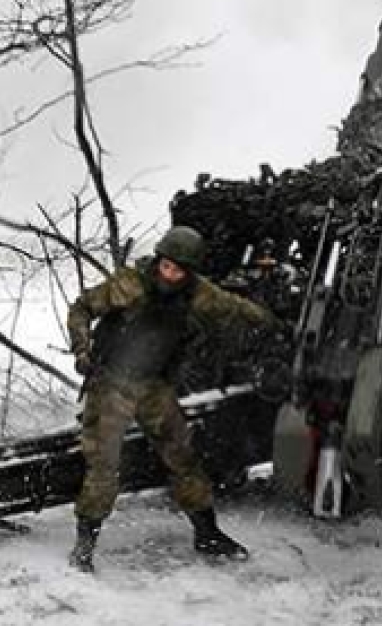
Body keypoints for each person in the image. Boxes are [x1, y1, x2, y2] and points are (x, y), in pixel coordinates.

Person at [63, 226, 280, 572]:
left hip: (152, 384)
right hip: (112, 382)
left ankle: (207, 534)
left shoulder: (197, 293)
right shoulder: (129, 286)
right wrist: (82, 349)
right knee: (103, 467)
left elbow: (233, 307)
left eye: (178, 270)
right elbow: (82, 309)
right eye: (165, 266)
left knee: (184, 457)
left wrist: (273, 323)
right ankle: (84, 549)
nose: (170, 274)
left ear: (189, 272)